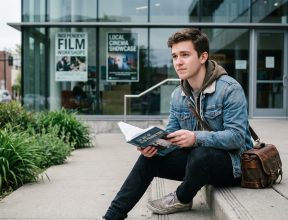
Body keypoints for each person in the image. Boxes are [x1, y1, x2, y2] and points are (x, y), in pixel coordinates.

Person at [99, 28, 253, 220]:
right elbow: (171, 134)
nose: (178, 62)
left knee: (200, 153)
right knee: (149, 159)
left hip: (232, 166)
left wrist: (195, 138)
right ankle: (112, 216)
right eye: (174, 56)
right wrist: (154, 145)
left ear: (203, 56)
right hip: (197, 164)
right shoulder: (177, 95)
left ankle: (182, 197)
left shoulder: (229, 89)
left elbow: (237, 138)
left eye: (185, 55)